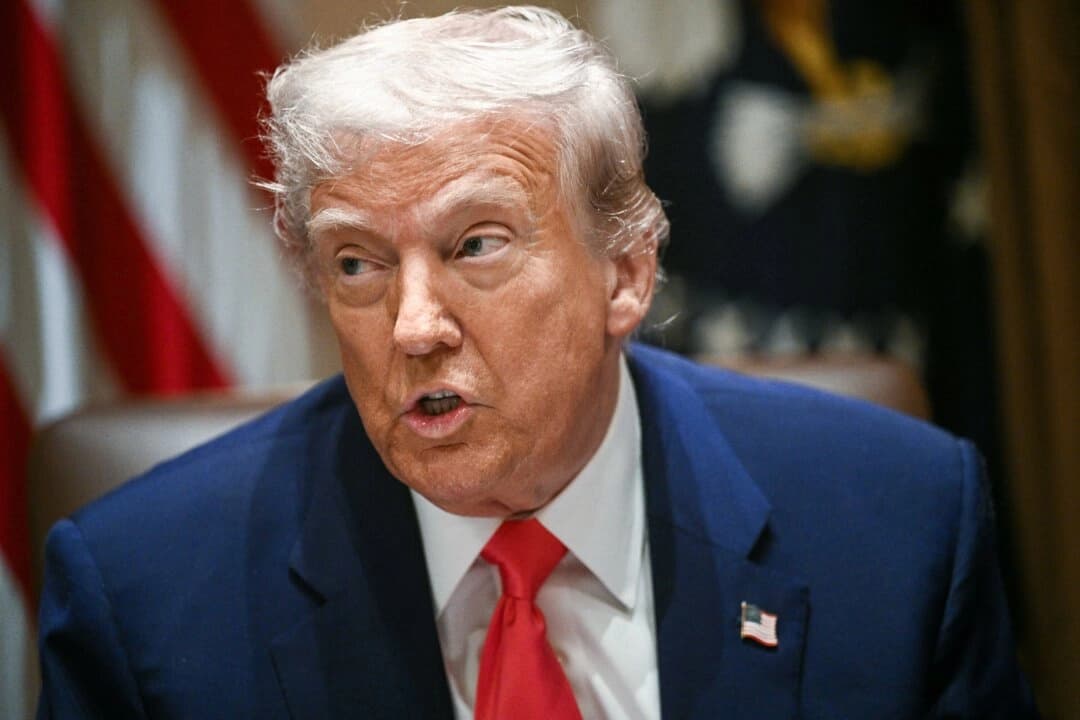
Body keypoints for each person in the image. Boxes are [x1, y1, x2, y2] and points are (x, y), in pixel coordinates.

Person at [36, 6, 1035, 719]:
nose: (413, 325)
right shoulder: (146, 597)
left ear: (626, 273)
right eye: (358, 262)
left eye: (476, 245)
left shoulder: (898, 529)